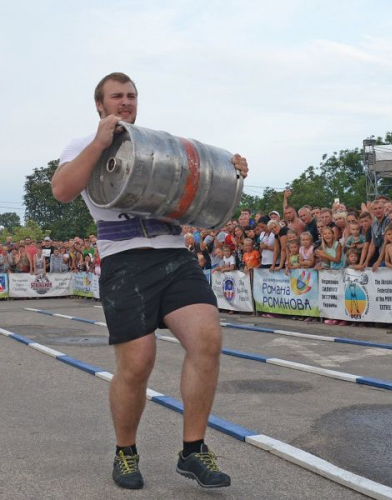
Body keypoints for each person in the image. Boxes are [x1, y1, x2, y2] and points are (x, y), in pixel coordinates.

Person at [52, 72, 247, 490]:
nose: (125, 102)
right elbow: (63, 190)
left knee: (207, 340)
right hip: (124, 261)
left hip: (174, 254)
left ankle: (193, 450)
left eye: (131, 96)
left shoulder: (159, 146)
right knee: (137, 363)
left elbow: (204, 193)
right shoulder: (82, 146)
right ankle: (126, 452)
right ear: (100, 106)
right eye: (117, 96)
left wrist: (232, 173)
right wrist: (100, 142)